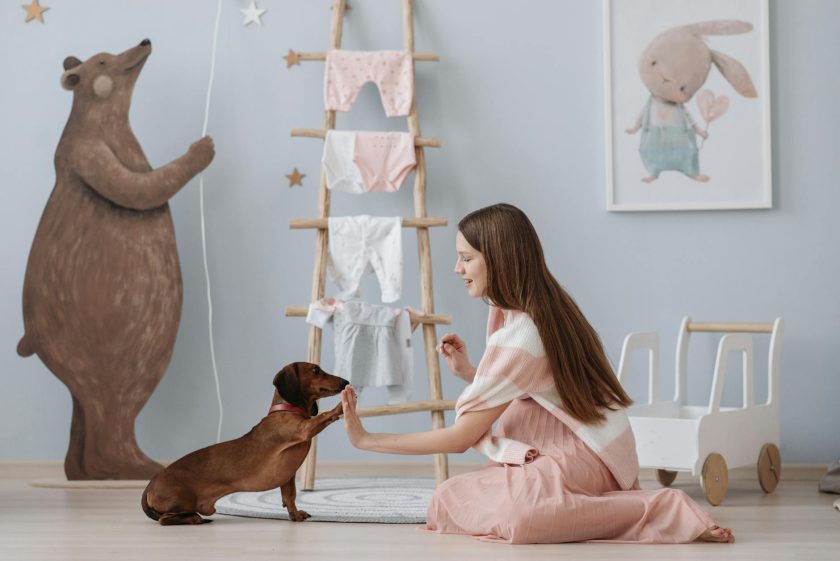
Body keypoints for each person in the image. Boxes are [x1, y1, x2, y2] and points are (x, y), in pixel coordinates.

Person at [340, 203, 734, 544]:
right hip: (583, 445)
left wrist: (367, 439)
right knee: (449, 499)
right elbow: (537, 387)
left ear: (500, 259)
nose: (457, 268)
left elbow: (461, 439)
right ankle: (585, 503)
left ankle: (657, 508)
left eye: (467, 257)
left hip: (586, 455)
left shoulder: (524, 331)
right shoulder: (538, 306)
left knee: (513, 517)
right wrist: (471, 373)